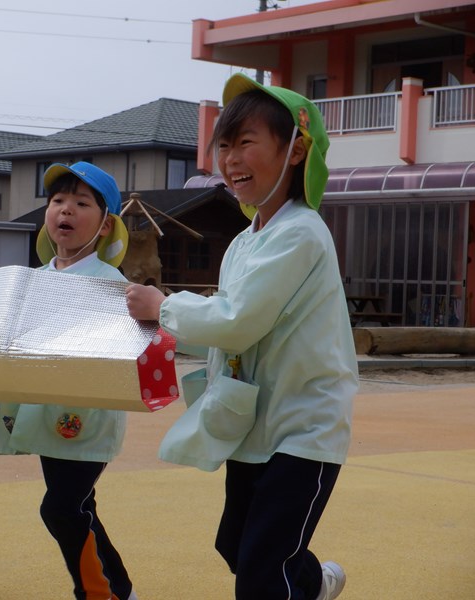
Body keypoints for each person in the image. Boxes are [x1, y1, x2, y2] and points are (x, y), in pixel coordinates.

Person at [125, 74, 358, 600]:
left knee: (261, 570)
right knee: (237, 546)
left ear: (295, 150)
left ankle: (300, 582)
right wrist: (163, 331)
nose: (231, 159)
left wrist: (164, 307)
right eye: (224, 145)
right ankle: (314, 584)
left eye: (246, 142)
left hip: (304, 430)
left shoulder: (300, 232)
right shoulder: (244, 242)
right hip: (254, 426)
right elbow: (227, 333)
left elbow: (237, 320)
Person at [0, 162, 138, 600]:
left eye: (81, 202)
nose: (66, 209)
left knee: (60, 508)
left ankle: (97, 593)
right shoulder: (32, 280)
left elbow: (127, 348)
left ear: (106, 224)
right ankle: (119, 590)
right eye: (58, 200)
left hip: (87, 418)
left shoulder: (110, 284)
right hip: (44, 415)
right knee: (78, 507)